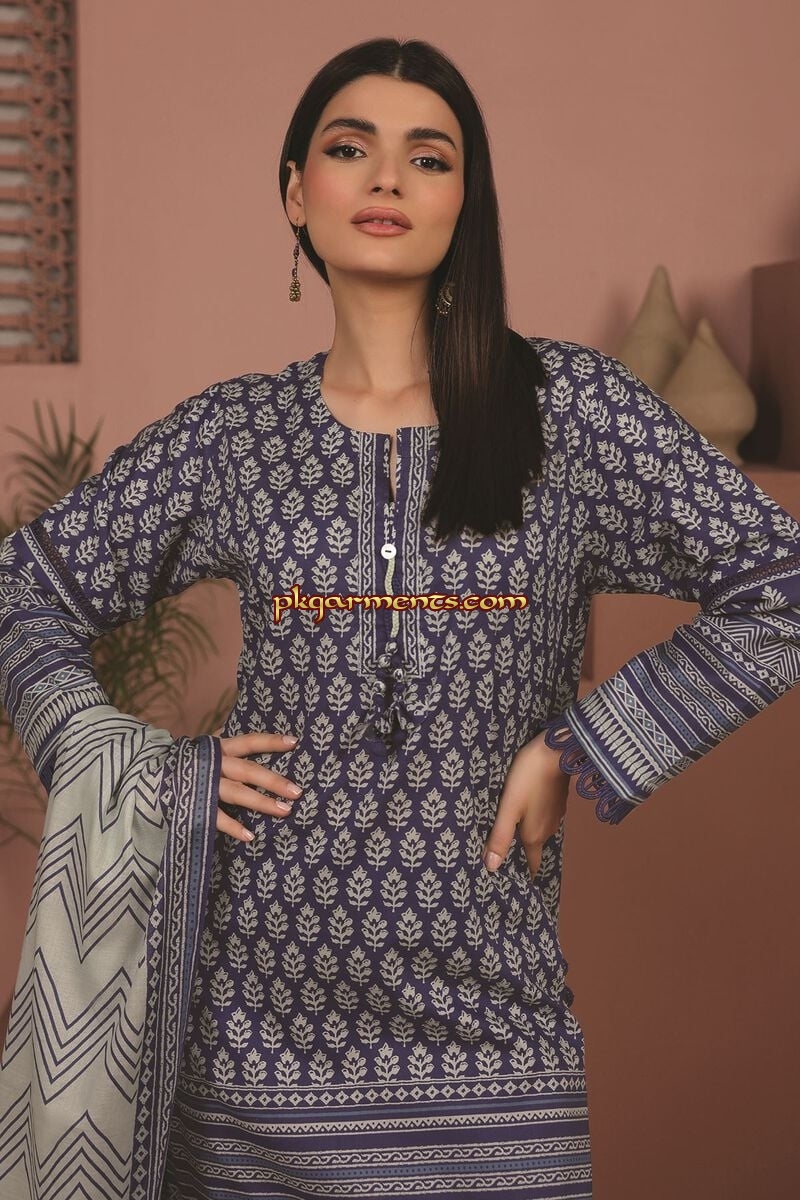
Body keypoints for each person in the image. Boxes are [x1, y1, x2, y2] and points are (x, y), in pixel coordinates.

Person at [1, 34, 799, 1200]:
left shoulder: (568, 414)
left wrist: (579, 742)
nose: (385, 178)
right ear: (295, 192)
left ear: (464, 201)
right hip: (255, 1052)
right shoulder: (234, 437)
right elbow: (21, 593)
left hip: (494, 1043)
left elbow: (778, 588)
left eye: (427, 156)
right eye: (348, 148)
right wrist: (156, 772)